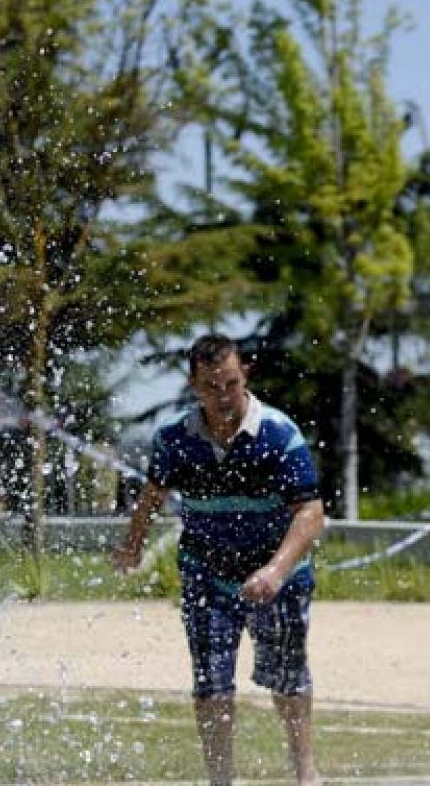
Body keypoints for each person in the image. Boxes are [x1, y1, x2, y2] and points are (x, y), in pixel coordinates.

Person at [113, 334, 326, 786]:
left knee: (286, 680)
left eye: (230, 383)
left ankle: (306, 773)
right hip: (206, 575)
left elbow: (310, 513)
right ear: (194, 385)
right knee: (211, 685)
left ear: (244, 373)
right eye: (212, 387)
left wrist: (275, 570)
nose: (223, 396)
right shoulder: (173, 439)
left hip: (279, 576)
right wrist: (132, 543)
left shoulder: (278, 433)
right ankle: (221, 779)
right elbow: (153, 494)